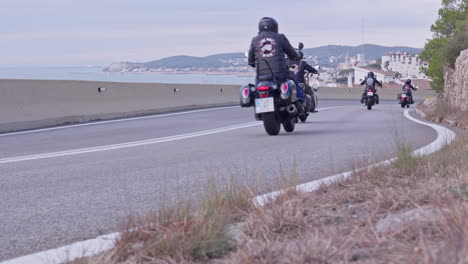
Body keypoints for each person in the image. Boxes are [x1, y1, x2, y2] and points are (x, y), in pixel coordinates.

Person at [248, 17, 302, 101]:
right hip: (280, 74)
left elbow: (250, 61)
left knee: (257, 90)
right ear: (274, 26)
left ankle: (257, 102)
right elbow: (292, 54)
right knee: (293, 77)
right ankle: (300, 99)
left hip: (261, 76)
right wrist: (297, 56)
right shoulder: (280, 37)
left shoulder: (255, 40)